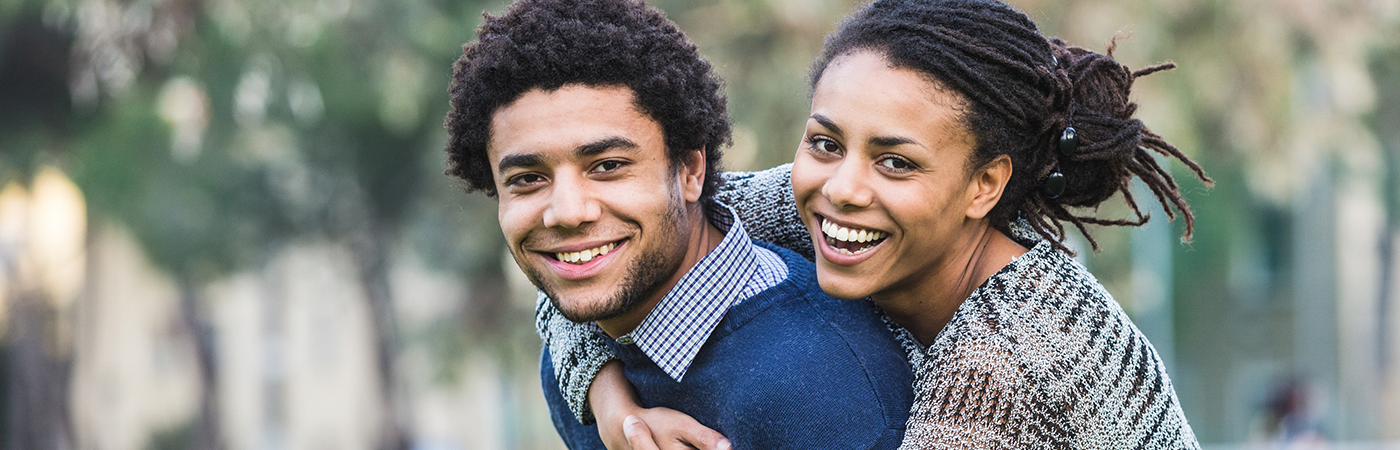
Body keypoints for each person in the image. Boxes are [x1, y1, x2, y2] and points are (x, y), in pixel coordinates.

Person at [541, 0, 1211, 448]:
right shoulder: (818, 201)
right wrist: (614, 407)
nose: (844, 188)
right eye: (826, 142)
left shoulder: (1000, 362)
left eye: (895, 161)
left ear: (985, 185)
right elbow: (595, 249)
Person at [442, 0, 914, 448]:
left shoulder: (826, 386)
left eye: (607, 165)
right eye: (527, 178)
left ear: (690, 171)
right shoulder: (577, 364)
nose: (566, 212)